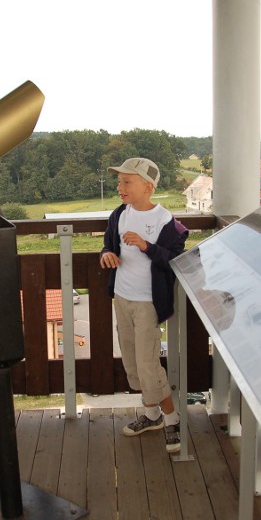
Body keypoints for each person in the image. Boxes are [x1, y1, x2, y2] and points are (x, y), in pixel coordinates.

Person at [100, 158, 188, 453]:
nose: (120, 187)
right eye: (119, 181)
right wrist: (107, 255)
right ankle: (152, 416)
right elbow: (109, 244)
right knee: (133, 365)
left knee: (149, 367)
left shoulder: (167, 222)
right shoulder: (119, 215)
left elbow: (174, 261)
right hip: (122, 299)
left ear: (148, 187)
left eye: (127, 182)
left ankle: (172, 420)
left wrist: (146, 246)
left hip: (148, 304)